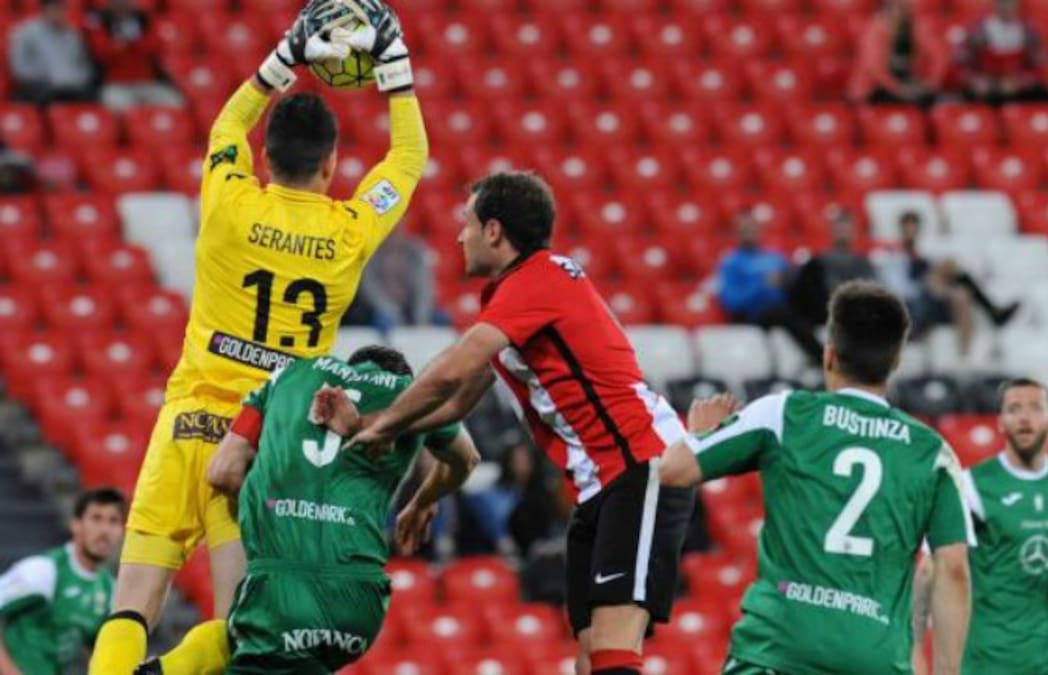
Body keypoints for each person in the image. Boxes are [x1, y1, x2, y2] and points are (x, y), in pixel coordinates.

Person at [87, 1, 427, 672]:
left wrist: (283, 57)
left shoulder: (228, 201)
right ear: (332, 164)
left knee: (130, 604)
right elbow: (409, 157)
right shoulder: (349, 232)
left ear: (264, 157)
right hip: (261, 445)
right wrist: (394, 66)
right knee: (236, 627)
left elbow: (225, 125)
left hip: (187, 418)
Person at [343, 171, 697, 675]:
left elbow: (454, 369)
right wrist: (397, 446)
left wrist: (378, 429)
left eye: (467, 223)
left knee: (614, 650)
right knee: (590, 655)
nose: (458, 237)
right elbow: (455, 403)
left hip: (641, 463)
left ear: (493, 231)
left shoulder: (540, 278)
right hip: (601, 481)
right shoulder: (516, 293)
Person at [657, 280, 974, 674]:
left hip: (778, 652)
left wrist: (700, 435)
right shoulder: (932, 452)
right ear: (895, 362)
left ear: (829, 354)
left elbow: (672, 469)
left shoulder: (784, 413)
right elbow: (953, 570)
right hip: (874, 661)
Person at [136, 345, 478, 674]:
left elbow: (222, 472)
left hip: (282, 589)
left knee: (238, 641)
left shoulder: (289, 376)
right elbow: (467, 459)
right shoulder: (411, 396)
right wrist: (423, 501)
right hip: (360, 603)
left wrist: (270, 506)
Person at [919, 378, 1048, 675]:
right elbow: (930, 566)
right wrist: (917, 649)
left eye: (1035, 408)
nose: (1025, 418)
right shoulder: (972, 485)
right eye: (1014, 409)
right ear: (1000, 422)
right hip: (987, 662)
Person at [0, 488, 125, 675]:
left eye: (113, 521)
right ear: (76, 525)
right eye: (96, 518)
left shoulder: (109, 590)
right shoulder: (44, 571)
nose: (104, 530)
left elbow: (98, 653)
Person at [875, 211, 1019, 355]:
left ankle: (964, 357)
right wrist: (927, 284)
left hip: (935, 298)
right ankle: (993, 312)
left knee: (961, 294)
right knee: (949, 265)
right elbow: (899, 290)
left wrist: (940, 288)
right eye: (908, 227)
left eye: (914, 227)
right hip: (916, 302)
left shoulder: (923, 254)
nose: (911, 232)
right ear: (901, 229)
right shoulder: (893, 257)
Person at [717, 211, 824, 365]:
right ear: (736, 233)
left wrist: (788, 280)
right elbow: (731, 301)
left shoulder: (774, 258)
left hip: (786, 306)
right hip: (755, 314)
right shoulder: (731, 262)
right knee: (781, 312)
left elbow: (793, 284)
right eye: (744, 229)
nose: (749, 233)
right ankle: (821, 357)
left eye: (752, 228)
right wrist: (761, 285)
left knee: (813, 273)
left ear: (759, 230)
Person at [84, 0, 183, 110]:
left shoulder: (144, 19)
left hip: (148, 82)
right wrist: (123, 44)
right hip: (116, 84)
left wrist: (131, 42)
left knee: (174, 103)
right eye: (117, 3)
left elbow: (155, 47)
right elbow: (101, 52)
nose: (122, 6)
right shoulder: (101, 21)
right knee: (120, 106)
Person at [848, 0, 947, 107]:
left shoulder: (916, 28)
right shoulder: (875, 32)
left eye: (905, 8)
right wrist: (899, 89)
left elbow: (940, 55)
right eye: (898, 8)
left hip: (908, 85)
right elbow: (874, 68)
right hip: (874, 89)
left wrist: (931, 82)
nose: (902, 12)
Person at [957, 0, 1048, 106]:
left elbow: (1039, 65)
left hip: (1016, 86)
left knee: (1043, 94)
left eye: (1009, 3)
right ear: (994, 4)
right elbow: (962, 61)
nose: (1005, 7)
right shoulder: (978, 30)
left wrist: (1020, 82)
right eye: (1002, 3)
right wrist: (975, 80)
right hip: (987, 85)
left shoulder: (1028, 31)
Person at [8, 0, 97, 105]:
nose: (58, 12)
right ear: (44, 10)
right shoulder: (25, 33)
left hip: (72, 87)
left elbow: (84, 65)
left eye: (61, 9)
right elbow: (19, 67)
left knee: (93, 97)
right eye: (54, 8)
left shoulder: (72, 35)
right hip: (41, 86)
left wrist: (78, 80)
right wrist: (44, 77)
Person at [358, 232, 437, 330]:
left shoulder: (415, 253)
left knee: (441, 320)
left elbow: (424, 288)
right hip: (380, 311)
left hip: (411, 309)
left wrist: (422, 318)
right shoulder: (370, 256)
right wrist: (393, 314)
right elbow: (371, 291)